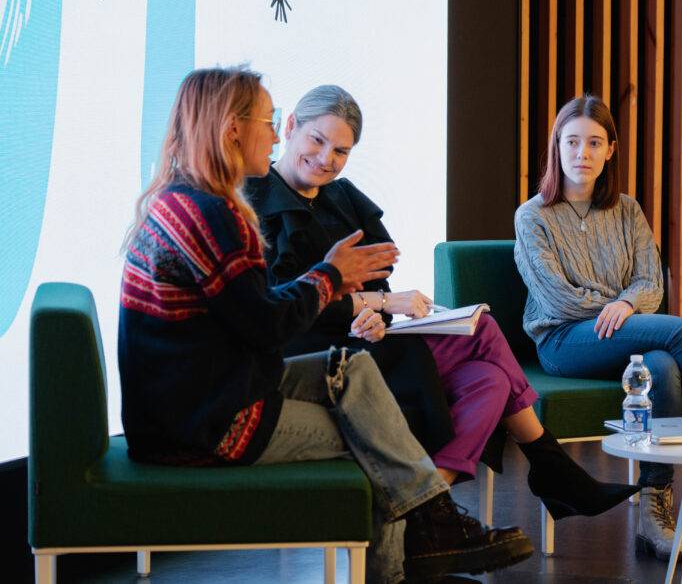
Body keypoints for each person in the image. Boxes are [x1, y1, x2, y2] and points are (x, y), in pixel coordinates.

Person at [118, 67, 532, 584]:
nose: (274, 135)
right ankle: (411, 555)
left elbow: (257, 319)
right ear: (231, 130)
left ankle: (428, 535)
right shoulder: (212, 216)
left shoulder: (187, 199)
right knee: (375, 430)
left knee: (357, 371)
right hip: (207, 424)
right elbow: (268, 326)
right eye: (270, 122)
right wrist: (332, 275)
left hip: (212, 391)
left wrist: (335, 281)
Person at [247, 84, 637, 521]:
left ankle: (428, 504)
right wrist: (375, 303)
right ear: (291, 126)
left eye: (341, 151)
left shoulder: (341, 197)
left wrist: (373, 312)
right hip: (310, 350)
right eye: (317, 141)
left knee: (490, 380)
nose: (326, 159)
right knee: (484, 330)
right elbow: (282, 303)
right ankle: (548, 466)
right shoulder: (255, 201)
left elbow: (375, 284)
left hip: (366, 337)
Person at [513, 95, 682, 561]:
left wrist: (627, 304)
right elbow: (557, 297)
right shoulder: (532, 216)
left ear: (611, 149)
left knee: (661, 367)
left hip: (621, 334)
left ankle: (654, 511)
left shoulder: (627, 210)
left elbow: (651, 281)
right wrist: (615, 308)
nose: (582, 154)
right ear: (556, 146)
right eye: (572, 142)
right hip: (562, 340)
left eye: (594, 143)